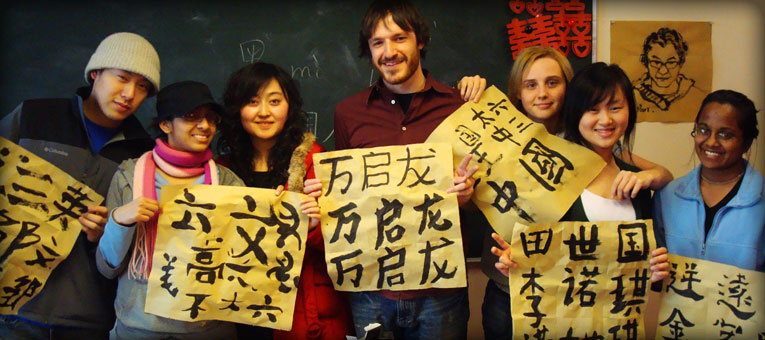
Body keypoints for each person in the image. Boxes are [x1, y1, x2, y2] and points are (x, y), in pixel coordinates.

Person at [321, 0, 485, 338]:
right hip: (372, 288)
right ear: (368, 50)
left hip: (441, 289)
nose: (389, 51)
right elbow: (348, 198)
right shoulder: (349, 113)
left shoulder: (460, 106)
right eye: (378, 42)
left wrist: (467, 195)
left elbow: (481, 194)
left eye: (399, 38)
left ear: (419, 41)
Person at [490, 62, 672, 336]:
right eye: (592, 109)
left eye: (615, 107)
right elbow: (537, 259)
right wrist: (514, 263)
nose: (605, 120)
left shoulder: (637, 184)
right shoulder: (549, 178)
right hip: (562, 325)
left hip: (619, 326)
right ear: (576, 114)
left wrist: (657, 271)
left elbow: (647, 270)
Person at [0, 32, 159, 339]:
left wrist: (108, 233)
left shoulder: (144, 155)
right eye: (122, 78)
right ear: (95, 73)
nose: (129, 93)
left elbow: (140, 249)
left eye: (142, 87)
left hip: (89, 318)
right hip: (12, 311)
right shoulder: (35, 116)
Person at [95, 81, 243, 339]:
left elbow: (247, 257)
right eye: (191, 117)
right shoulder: (129, 177)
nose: (205, 126)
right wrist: (120, 221)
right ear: (165, 125)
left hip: (207, 327)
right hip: (138, 326)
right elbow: (107, 267)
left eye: (210, 118)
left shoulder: (228, 181)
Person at [216, 62, 352, 340]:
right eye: (252, 102)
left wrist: (314, 225)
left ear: (289, 106)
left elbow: (347, 242)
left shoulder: (316, 161)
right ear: (237, 109)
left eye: (275, 101)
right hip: (235, 304)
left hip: (300, 308)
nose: (264, 112)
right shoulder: (220, 171)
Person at [654, 90, 764, 272]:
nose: (711, 142)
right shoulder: (668, 195)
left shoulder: (760, 199)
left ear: (747, 142)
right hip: (677, 300)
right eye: (703, 130)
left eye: (725, 135)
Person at [633, 27, 706, 112]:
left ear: (681, 63)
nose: (663, 71)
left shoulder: (698, 97)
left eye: (671, 63)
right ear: (646, 62)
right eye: (656, 62)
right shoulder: (633, 96)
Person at [506, 46, 574, 135]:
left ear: (567, 86)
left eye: (552, 83)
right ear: (518, 92)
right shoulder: (500, 141)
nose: (542, 94)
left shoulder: (585, 142)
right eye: (531, 85)